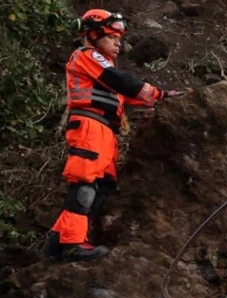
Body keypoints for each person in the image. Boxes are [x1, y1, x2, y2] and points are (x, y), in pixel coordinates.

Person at [41, 9, 183, 262]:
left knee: (100, 186)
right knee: (84, 184)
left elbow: (128, 94)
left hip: (105, 131)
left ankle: (57, 241)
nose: (119, 43)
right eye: (112, 37)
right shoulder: (88, 56)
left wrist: (165, 98)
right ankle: (73, 244)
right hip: (89, 127)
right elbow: (124, 83)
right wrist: (159, 94)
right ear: (94, 35)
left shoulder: (102, 70)